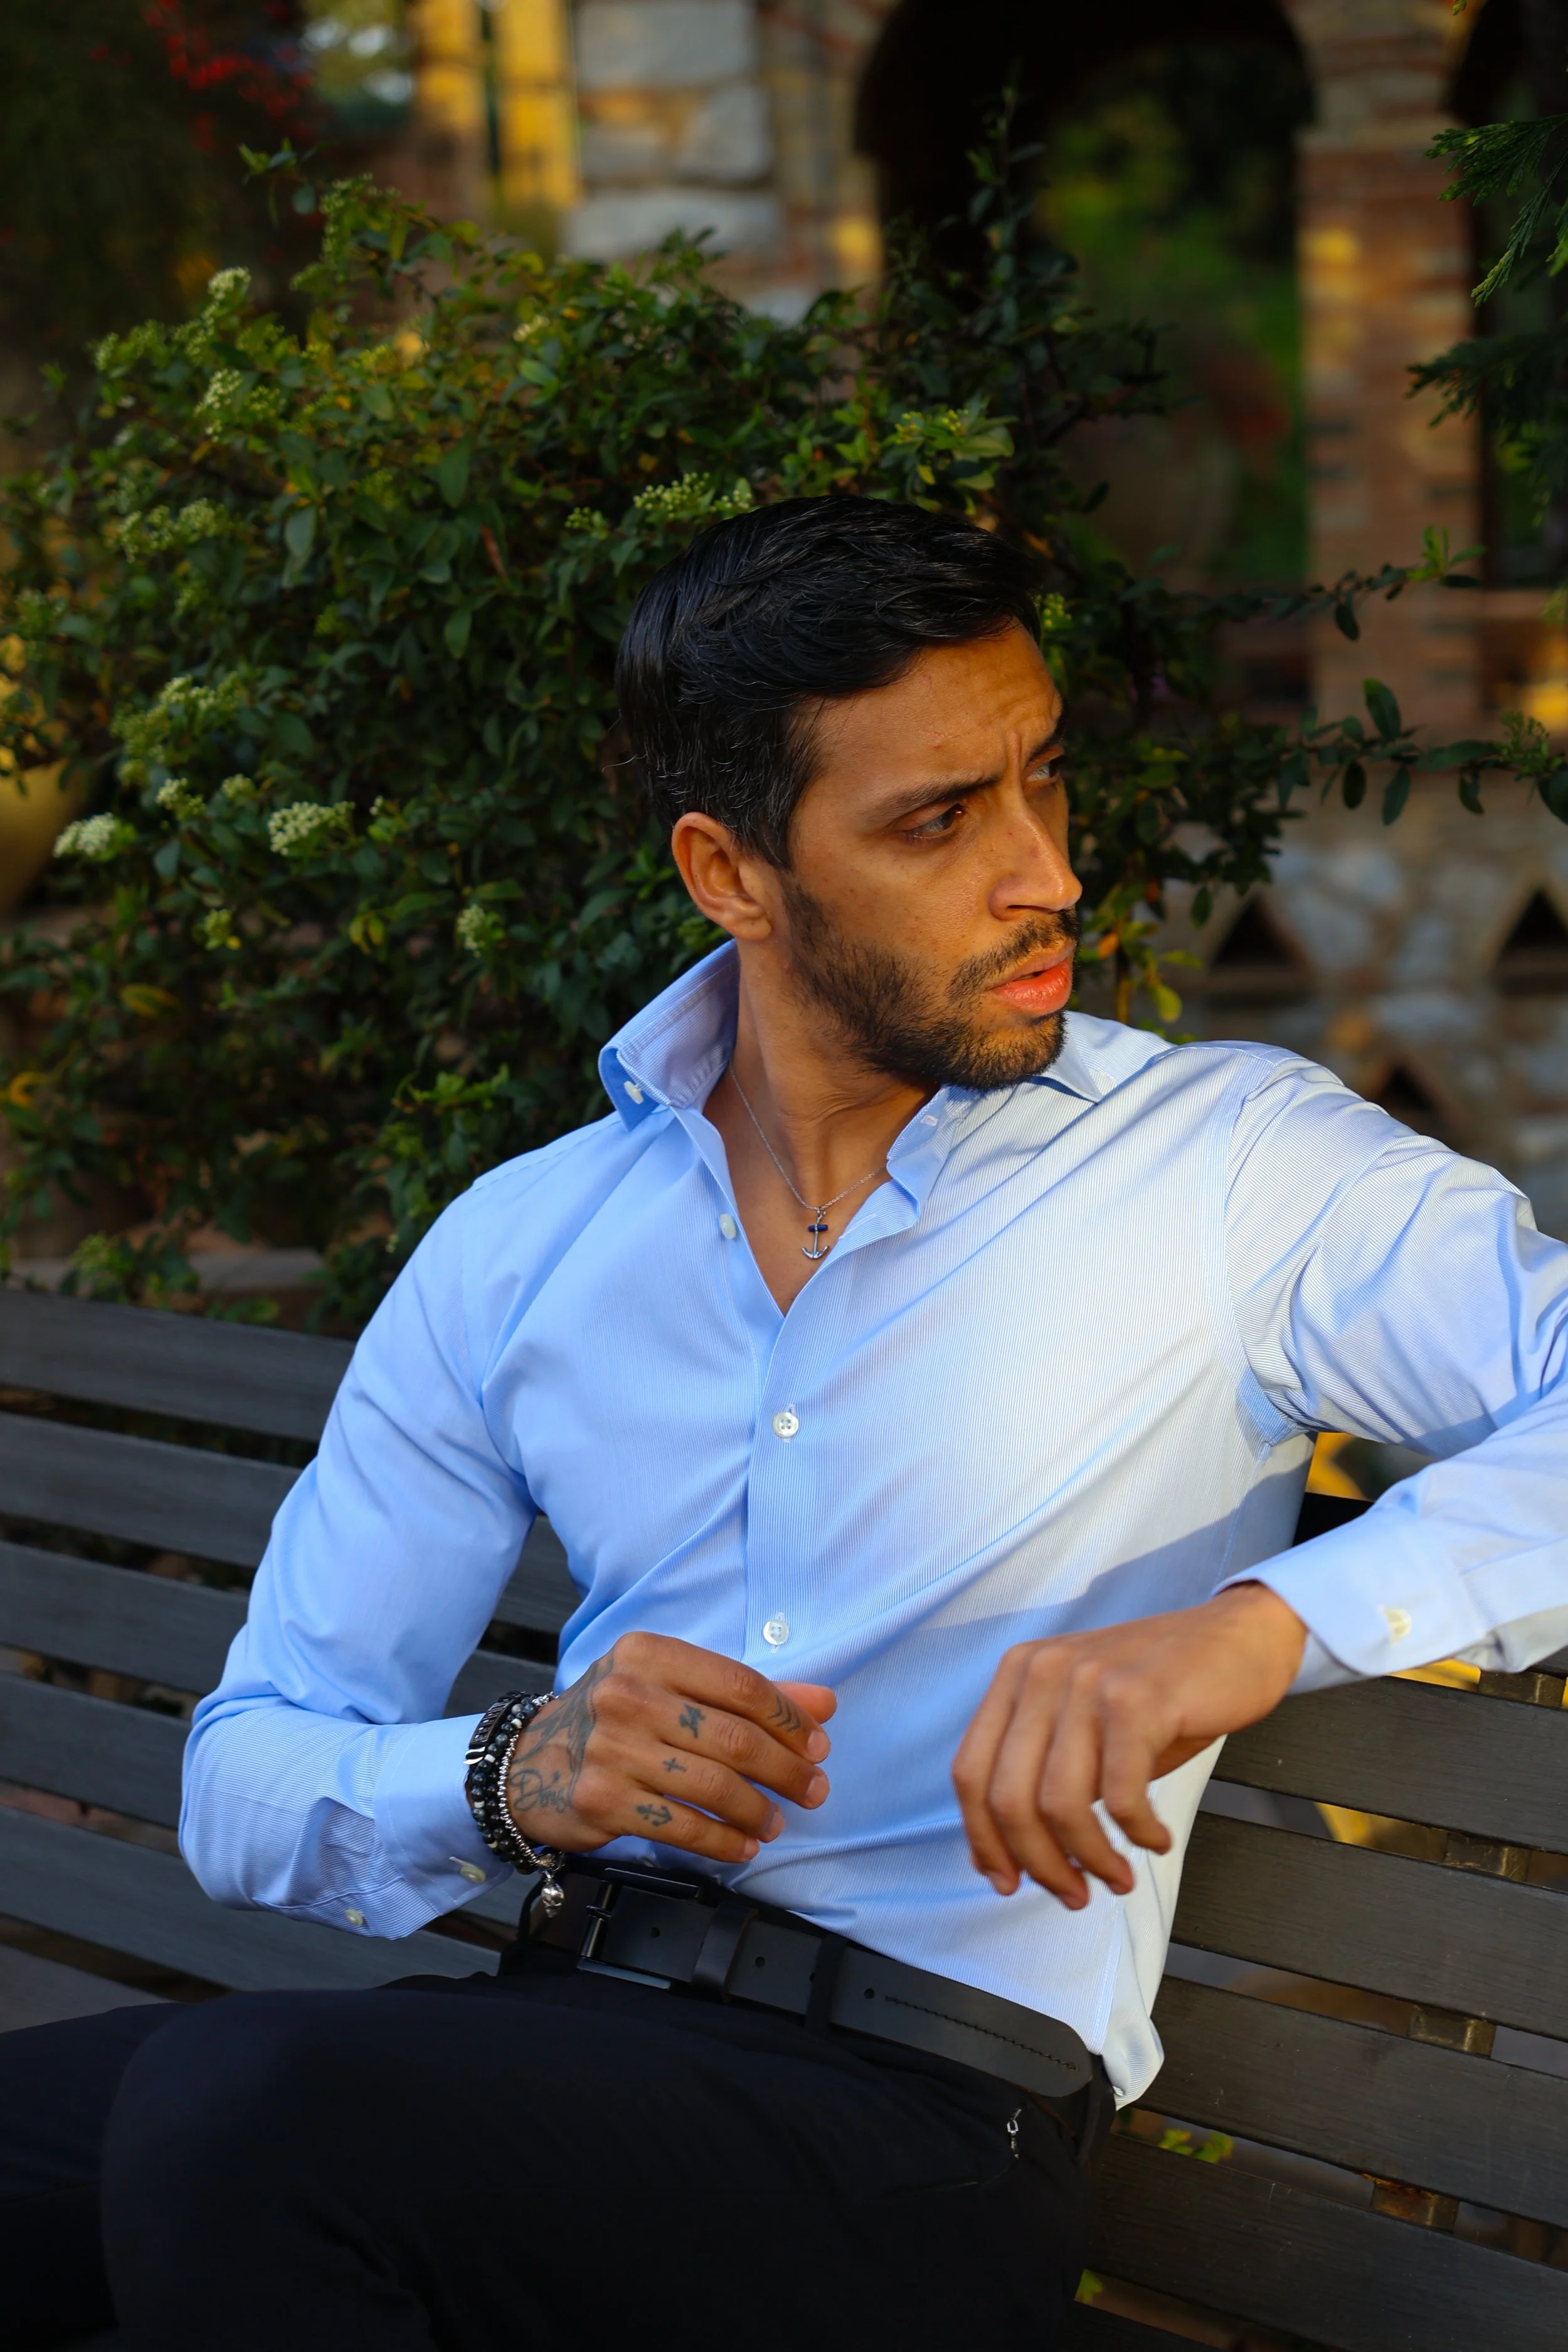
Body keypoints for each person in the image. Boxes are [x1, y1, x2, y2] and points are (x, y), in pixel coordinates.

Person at [4, 495, 1566, 2352]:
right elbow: (249, 1776)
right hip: (554, 2036)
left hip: (917, 2116)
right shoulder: (528, 1239)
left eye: (1041, 780)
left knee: (245, 2119)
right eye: (938, 820)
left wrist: (1247, 1631)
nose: (1045, 874)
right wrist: (514, 1773)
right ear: (730, 874)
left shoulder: (1232, 1165)